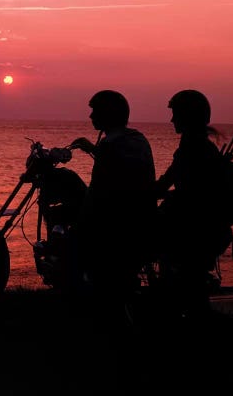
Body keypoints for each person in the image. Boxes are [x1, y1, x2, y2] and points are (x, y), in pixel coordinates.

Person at [69, 90, 157, 311]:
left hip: (114, 225)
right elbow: (121, 165)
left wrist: (79, 224)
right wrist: (92, 148)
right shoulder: (137, 138)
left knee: (73, 243)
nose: (90, 116)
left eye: (95, 111)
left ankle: (78, 297)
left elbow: (96, 192)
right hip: (142, 217)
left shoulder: (110, 145)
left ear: (108, 114)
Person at [154, 89, 233, 317]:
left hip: (193, 229)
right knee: (192, 291)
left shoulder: (193, 149)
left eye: (176, 114)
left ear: (188, 117)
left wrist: (149, 192)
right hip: (205, 227)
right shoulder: (200, 146)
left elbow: (185, 191)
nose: (171, 120)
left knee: (183, 283)